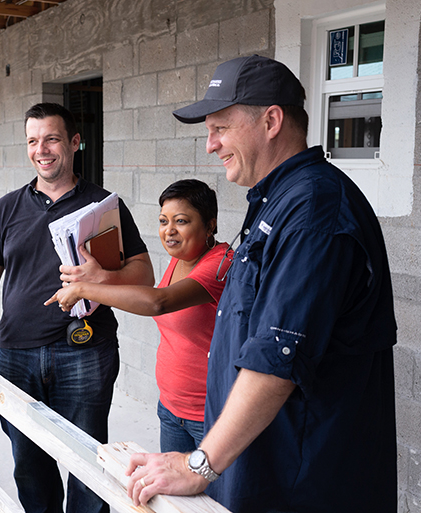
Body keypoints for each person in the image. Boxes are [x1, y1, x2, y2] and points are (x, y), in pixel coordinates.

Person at [124, 55, 397, 513]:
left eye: (221, 128)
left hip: (301, 485)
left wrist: (198, 465)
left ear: (271, 120)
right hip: (262, 469)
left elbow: (276, 359)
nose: (210, 145)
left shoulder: (314, 211)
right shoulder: (277, 201)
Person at [0, 103, 154, 513]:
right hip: (17, 354)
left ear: (74, 143)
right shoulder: (7, 208)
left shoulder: (103, 206)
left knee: (88, 463)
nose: (41, 149)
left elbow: (143, 274)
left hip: (85, 351)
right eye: (32, 140)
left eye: (51, 139)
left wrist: (102, 278)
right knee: (28, 465)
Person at [46, 179, 229, 453]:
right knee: (174, 495)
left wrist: (86, 289)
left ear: (210, 224)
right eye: (163, 221)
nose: (169, 231)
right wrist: (102, 280)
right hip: (171, 408)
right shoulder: (181, 258)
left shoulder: (221, 263)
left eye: (181, 221)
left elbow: (158, 302)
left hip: (209, 413)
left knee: (213, 496)